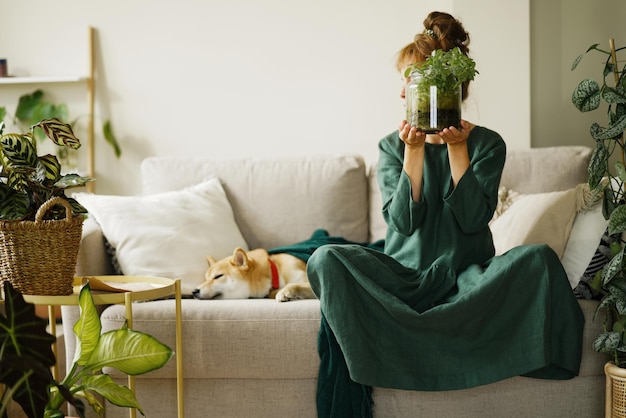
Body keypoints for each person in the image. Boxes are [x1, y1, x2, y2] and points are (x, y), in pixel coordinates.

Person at [306, 11, 585, 418]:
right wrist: (414, 154)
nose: (402, 94)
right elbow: (401, 224)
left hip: (468, 276)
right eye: (404, 81)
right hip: (403, 277)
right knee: (325, 257)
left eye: (410, 81)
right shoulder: (390, 147)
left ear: (444, 89)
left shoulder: (488, 144)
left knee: (538, 259)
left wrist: (457, 149)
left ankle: (412, 346)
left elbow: (473, 220)